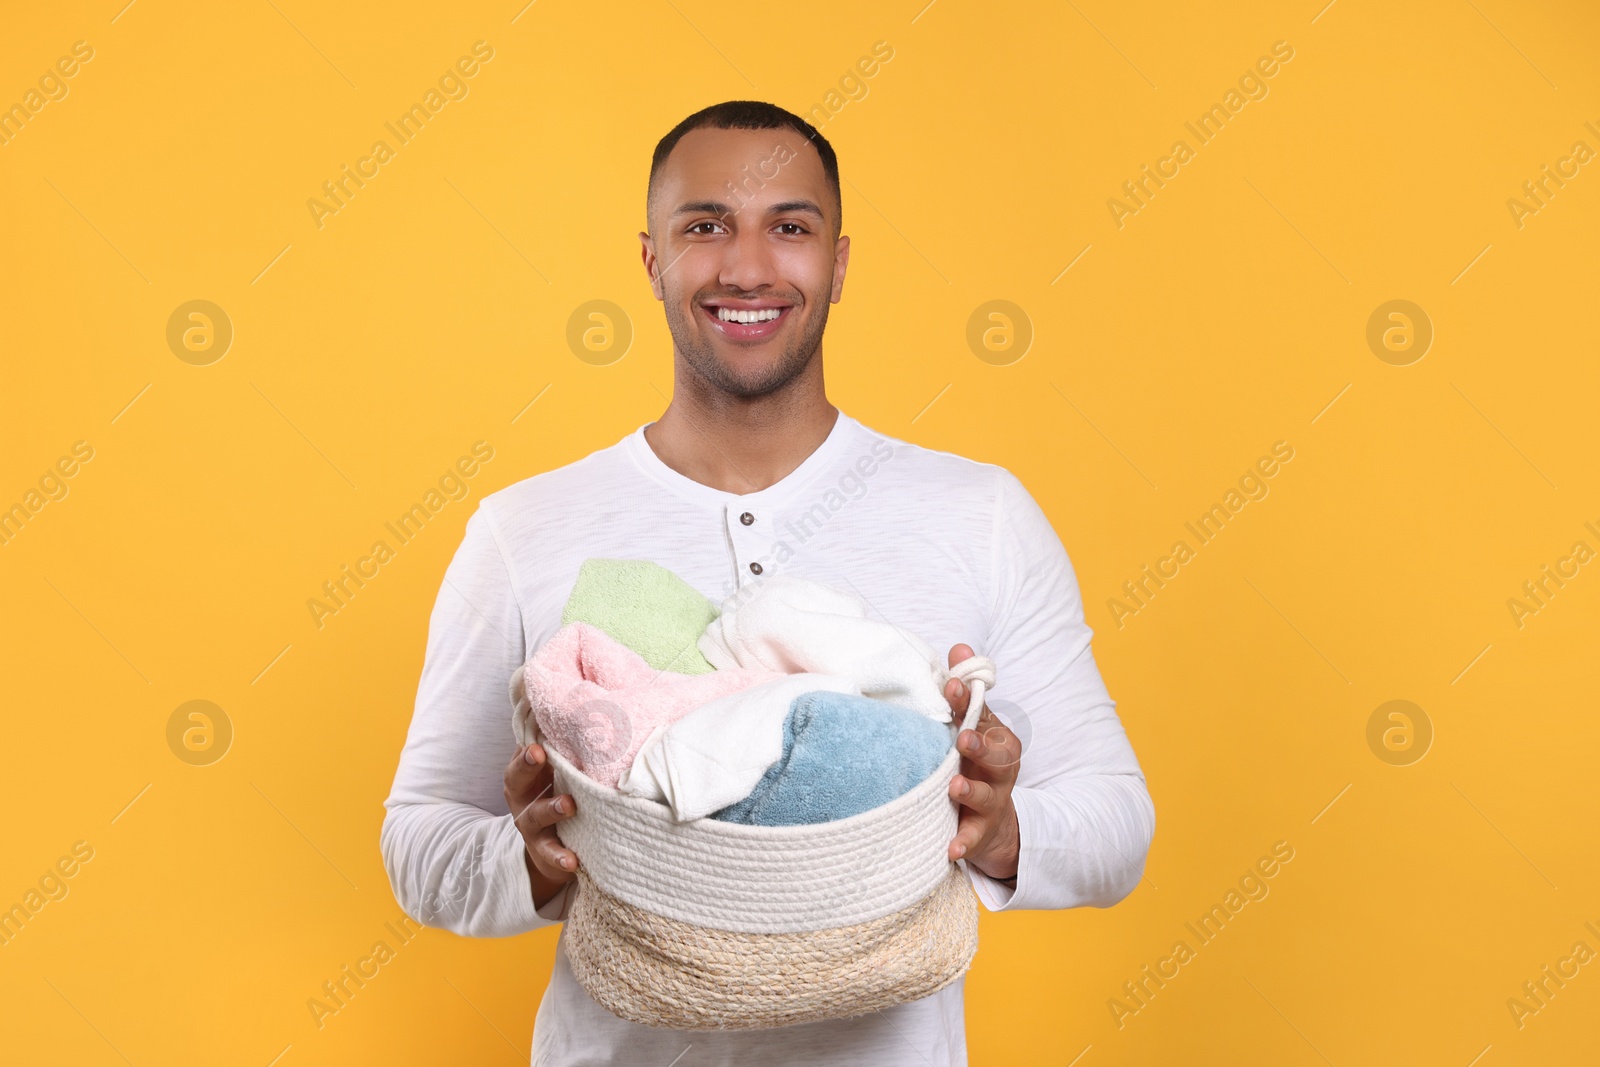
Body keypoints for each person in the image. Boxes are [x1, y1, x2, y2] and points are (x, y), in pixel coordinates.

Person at [379, 99, 1155, 1066]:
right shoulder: (521, 531)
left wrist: (995, 830)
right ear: (652, 259)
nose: (747, 267)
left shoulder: (980, 513)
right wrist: (536, 863)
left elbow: (1119, 819)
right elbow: (418, 840)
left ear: (838, 262)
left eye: (790, 227)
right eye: (704, 226)